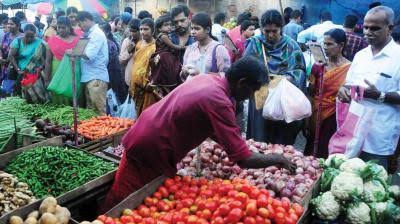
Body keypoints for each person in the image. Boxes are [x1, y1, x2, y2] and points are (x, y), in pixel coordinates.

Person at [102, 56, 297, 210]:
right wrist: (277, 159)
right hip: (150, 145)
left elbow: (207, 125)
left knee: (140, 197)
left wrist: (232, 142)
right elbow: (244, 160)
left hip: (149, 135)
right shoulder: (218, 99)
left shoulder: (209, 79)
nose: (250, 98)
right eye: (252, 91)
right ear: (242, 83)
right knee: (124, 199)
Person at [338, 6, 400, 169]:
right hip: (353, 132)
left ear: (390, 28)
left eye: (375, 28)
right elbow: (348, 84)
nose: (367, 32)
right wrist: (343, 90)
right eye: (365, 27)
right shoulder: (361, 55)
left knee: (374, 184)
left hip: (379, 136)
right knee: (348, 177)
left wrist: (379, 95)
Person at [245, 9, 306, 145]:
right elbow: (245, 68)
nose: (270, 35)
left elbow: (299, 70)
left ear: (281, 29)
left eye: (275, 31)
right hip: (260, 97)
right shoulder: (254, 44)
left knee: (281, 139)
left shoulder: (291, 46)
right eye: (267, 31)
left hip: (282, 99)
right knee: (260, 139)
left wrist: (284, 79)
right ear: (261, 29)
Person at [304, 29, 350, 158]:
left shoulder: (350, 68)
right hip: (317, 114)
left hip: (336, 116)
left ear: (341, 45)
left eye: (329, 44)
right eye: (324, 43)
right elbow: (310, 92)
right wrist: (307, 120)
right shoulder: (318, 67)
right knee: (311, 150)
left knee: (329, 150)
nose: (325, 47)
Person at [74, 11, 109, 115]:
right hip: (91, 77)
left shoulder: (96, 34)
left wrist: (75, 52)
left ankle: (104, 131)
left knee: (99, 111)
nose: (79, 27)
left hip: (96, 77)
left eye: (80, 24)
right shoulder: (90, 33)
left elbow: (89, 56)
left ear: (86, 20)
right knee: (91, 111)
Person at [182, 13, 231, 78]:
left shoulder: (219, 49)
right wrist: (185, 71)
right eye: (192, 28)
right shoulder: (190, 48)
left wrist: (202, 74)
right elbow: (183, 73)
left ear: (207, 30)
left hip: (209, 87)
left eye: (197, 29)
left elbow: (225, 75)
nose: (193, 32)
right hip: (191, 86)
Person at [44, 16, 80, 105]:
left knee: (74, 93)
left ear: (69, 27)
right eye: (59, 27)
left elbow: (81, 57)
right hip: (57, 72)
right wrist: (47, 79)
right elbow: (48, 61)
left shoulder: (77, 39)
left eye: (63, 27)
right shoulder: (52, 40)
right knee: (59, 94)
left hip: (73, 71)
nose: (61, 30)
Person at [148, 15, 184, 98]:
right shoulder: (163, 36)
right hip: (164, 57)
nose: (169, 27)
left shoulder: (166, 34)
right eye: (166, 25)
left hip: (164, 56)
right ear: (159, 28)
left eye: (170, 25)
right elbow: (173, 46)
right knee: (170, 76)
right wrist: (184, 47)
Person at [9, 24, 46, 97]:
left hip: (36, 74)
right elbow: (11, 56)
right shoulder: (18, 41)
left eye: (32, 37)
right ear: (23, 33)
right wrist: (18, 69)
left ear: (35, 34)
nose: (29, 39)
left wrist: (40, 68)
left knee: (35, 94)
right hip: (22, 73)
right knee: (20, 94)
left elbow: (45, 59)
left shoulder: (41, 43)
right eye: (27, 36)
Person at [130, 18, 157, 115]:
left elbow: (155, 67)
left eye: (146, 29)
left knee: (147, 113)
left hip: (147, 86)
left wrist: (149, 83)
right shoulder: (139, 44)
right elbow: (136, 63)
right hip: (136, 85)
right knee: (138, 114)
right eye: (141, 29)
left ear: (153, 30)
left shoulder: (155, 47)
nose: (142, 32)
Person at [99, 22, 127, 104]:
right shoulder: (100, 43)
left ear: (107, 32)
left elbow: (114, 64)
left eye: (102, 32)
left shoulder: (111, 45)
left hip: (111, 75)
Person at [0, 17, 23, 96]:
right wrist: (0, 57)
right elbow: (1, 48)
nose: (9, 25)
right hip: (4, 66)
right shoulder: (6, 35)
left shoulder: (22, 37)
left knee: (12, 89)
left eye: (11, 24)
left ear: (18, 26)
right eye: (8, 24)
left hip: (15, 68)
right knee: (5, 90)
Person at [119, 19, 141, 87]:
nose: (132, 33)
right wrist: (128, 51)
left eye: (134, 31)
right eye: (130, 31)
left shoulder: (145, 42)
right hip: (129, 79)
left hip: (142, 79)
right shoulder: (127, 41)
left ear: (140, 31)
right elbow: (121, 62)